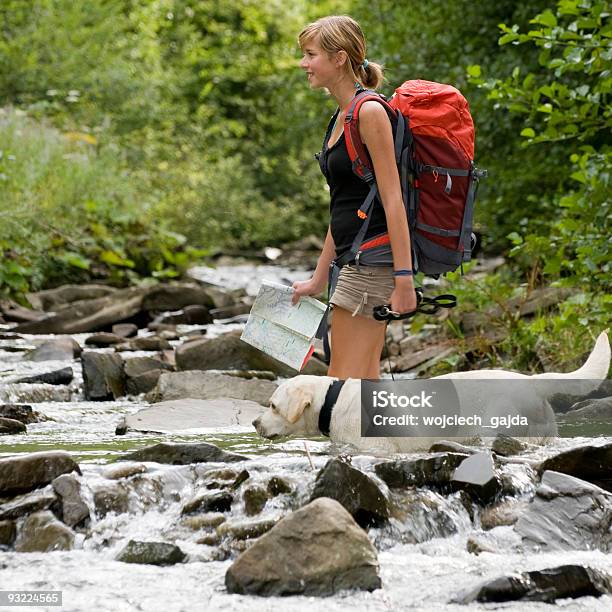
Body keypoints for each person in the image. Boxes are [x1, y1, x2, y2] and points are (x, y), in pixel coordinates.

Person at [291, 15, 417, 381]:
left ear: (339, 58)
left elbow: (393, 198)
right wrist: (318, 279)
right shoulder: (340, 116)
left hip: (373, 261)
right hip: (353, 260)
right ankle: (396, 440)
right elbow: (345, 207)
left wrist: (404, 278)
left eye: (311, 54)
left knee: (339, 384)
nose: (304, 64)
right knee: (362, 383)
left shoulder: (370, 112)